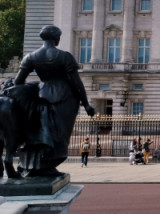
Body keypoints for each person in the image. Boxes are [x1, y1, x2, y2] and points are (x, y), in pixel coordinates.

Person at [6, 25, 95, 176]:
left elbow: (18, 82)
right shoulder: (64, 56)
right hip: (65, 97)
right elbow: (76, 83)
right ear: (56, 38)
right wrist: (86, 104)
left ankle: (34, 165)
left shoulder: (31, 56)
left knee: (41, 132)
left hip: (43, 95)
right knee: (60, 134)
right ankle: (46, 166)